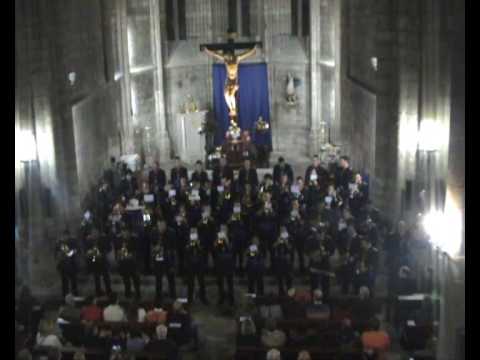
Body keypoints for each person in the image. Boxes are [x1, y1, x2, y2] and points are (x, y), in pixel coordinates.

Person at [151, 219, 177, 300]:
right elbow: (151, 244)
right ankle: (158, 295)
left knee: (171, 278)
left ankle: (173, 294)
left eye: (162, 226)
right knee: (158, 278)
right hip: (158, 257)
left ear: (165, 225)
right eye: (159, 226)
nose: (161, 228)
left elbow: (174, 246)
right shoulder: (154, 232)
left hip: (168, 258)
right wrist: (155, 248)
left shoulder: (171, 232)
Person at [85, 229, 112, 297]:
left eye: (96, 233)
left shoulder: (103, 239)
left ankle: (108, 290)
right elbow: (86, 250)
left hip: (103, 260)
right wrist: (89, 253)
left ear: (98, 233)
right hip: (94, 261)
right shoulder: (88, 241)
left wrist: (103, 253)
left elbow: (109, 248)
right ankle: (98, 291)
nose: (94, 235)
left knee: (106, 277)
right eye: (93, 233)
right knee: (96, 277)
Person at [184, 231, 208, 305]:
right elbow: (185, 251)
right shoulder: (188, 241)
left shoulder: (201, 240)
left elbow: (204, 251)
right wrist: (190, 245)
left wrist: (198, 244)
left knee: (201, 282)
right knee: (190, 283)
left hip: (199, 265)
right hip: (191, 265)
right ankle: (190, 298)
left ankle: (203, 297)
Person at [213, 229, 235, 305]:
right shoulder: (219, 241)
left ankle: (231, 298)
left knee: (230, 283)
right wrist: (217, 241)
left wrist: (227, 240)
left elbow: (232, 249)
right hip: (220, 265)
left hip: (229, 265)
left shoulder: (230, 238)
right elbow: (215, 249)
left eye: (224, 231)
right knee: (220, 283)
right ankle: (221, 297)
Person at [55, 230, 79, 298]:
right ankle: (65, 298)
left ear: (68, 235)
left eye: (66, 235)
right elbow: (57, 254)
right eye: (64, 236)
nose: (65, 237)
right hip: (63, 266)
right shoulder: (60, 243)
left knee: (74, 283)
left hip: (72, 265)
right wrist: (60, 255)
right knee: (65, 284)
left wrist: (70, 252)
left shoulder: (72, 242)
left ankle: (75, 297)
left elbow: (74, 251)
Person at [117, 234, 141, 299]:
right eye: (123, 231)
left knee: (136, 280)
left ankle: (138, 293)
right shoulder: (119, 240)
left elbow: (138, 250)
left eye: (126, 231)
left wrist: (132, 254)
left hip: (133, 264)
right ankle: (128, 293)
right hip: (124, 264)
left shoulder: (134, 239)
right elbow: (118, 251)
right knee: (126, 280)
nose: (125, 233)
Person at [272, 228, 293, 296]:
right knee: (280, 278)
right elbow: (273, 246)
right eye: (281, 230)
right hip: (279, 260)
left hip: (287, 260)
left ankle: (289, 293)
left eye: (284, 230)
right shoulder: (277, 238)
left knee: (288, 278)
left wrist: (286, 242)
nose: (282, 231)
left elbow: (290, 248)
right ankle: (281, 293)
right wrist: (278, 241)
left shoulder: (289, 238)